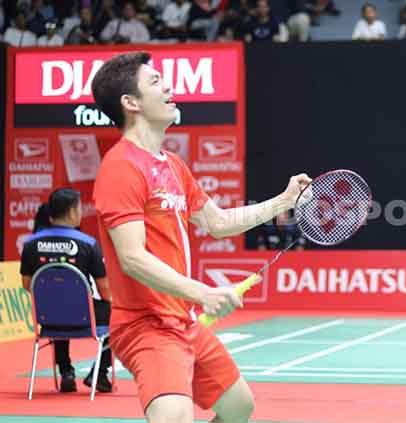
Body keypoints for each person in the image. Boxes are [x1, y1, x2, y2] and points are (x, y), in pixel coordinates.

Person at [91, 52, 311, 423]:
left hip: (182, 320)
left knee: (239, 407)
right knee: (175, 417)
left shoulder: (172, 165)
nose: (169, 87)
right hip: (146, 324)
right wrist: (203, 293)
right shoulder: (121, 167)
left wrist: (283, 201)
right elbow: (132, 257)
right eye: (156, 82)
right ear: (131, 103)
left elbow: (219, 222)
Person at [20, 188, 113, 393]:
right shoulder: (88, 243)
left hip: (47, 319)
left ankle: (66, 371)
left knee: (58, 305)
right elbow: (105, 291)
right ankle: (100, 372)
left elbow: (28, 285)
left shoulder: (30, 244)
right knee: (120, 314)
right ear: (72, 212)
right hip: (85, 316)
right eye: (79, 208)